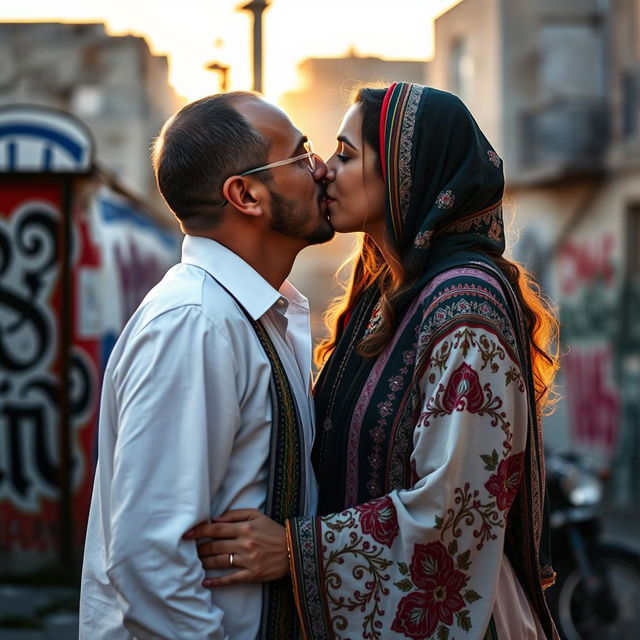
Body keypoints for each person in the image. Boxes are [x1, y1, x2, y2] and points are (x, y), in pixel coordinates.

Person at [190, 83, 561, 639]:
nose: (324, 172)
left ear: (405, 173)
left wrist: (296, 551)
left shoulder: (465, 305)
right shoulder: (385, 293)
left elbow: (455, 515)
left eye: (345, 154)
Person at [79, 91, 334, 639]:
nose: (320, 168)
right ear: (246, 194)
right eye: (301, 152)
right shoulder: (195, 324)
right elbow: (150, 562)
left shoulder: (256, 314)